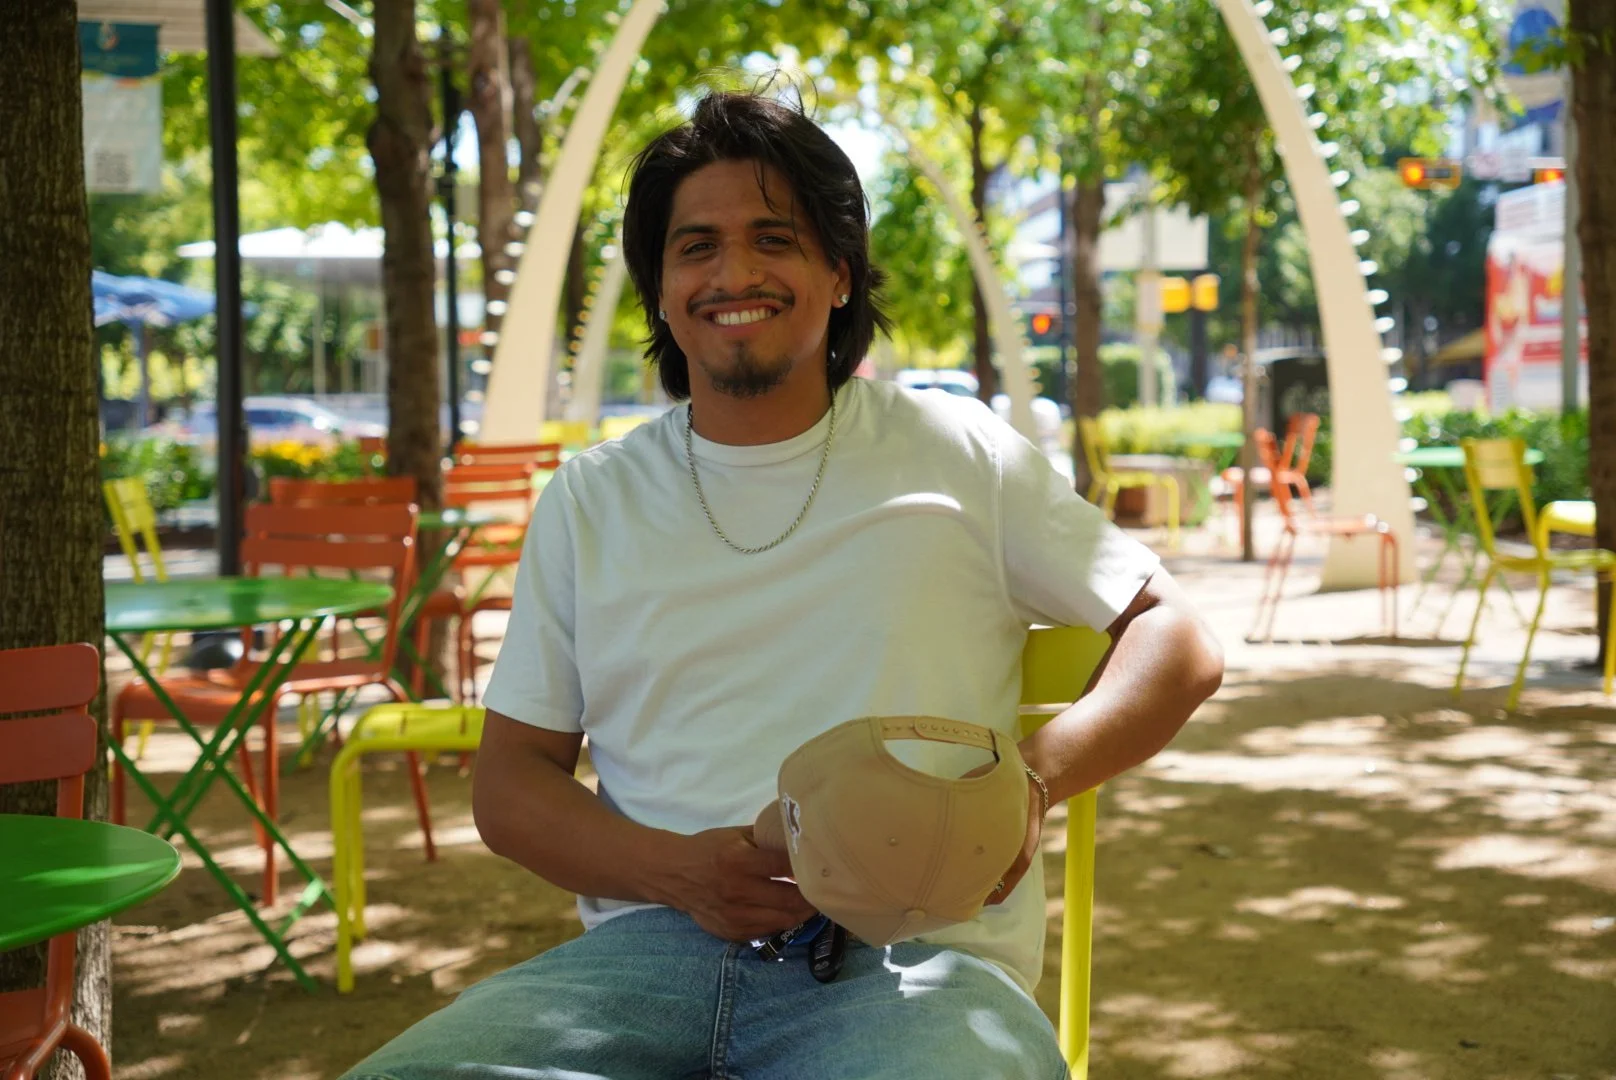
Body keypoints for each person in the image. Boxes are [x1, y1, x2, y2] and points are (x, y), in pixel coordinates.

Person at [342, 89, 1223, 1080]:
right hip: (643, 958)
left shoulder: (955, 453)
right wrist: (678, 874)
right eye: (696, 247)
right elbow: (508, 787)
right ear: (663, 291)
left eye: (775, 238)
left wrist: (1029, 779)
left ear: (838, 275)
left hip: (911, 969)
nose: (734, 274)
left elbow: (1176, 637)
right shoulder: (592, 498)